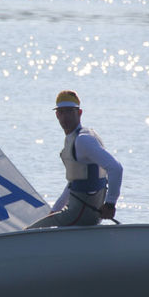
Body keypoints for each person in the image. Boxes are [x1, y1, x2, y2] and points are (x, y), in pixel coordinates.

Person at [26, 90, 123, 228]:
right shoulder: (77, 138)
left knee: (30, 231)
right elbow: (73, 183)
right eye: (61, 112)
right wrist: (54, 211)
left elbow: (116, 168)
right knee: (47, 223)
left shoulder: (83, 140)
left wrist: (110, 204)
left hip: (80, 215)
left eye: (70, 112)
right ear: (57, 115)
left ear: (79, 113)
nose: (65, 117)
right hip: (83, 214)